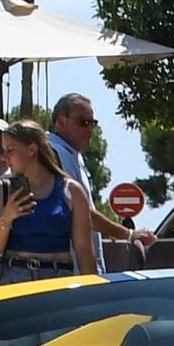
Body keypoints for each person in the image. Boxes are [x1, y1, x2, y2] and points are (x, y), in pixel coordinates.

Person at [0, 119, 97, 284]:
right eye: (4, 150)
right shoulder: (2, 190)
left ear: (32, 149)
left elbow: (84, 250)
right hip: (14, 276)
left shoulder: (71, 190)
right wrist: (7, 217)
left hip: (58, 277)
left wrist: (91, 290)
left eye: (10, 149)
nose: (5, 156)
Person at [48, 94, 155, 266]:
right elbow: (80, 210)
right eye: (83, 122)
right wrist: (128, 234)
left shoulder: (72, 155)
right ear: (61, 121)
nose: (89, 129)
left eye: (93, 123)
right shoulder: (56, 153)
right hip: (68, 268)